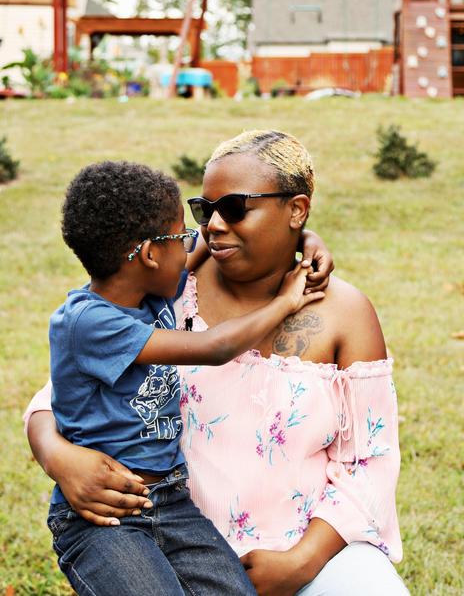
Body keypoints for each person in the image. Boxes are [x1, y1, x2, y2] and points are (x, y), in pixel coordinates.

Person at [27, 131, 405, 595]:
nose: (214, 226)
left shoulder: (345, 313)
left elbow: (371, 461)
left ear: (297, 209)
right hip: (163, 536)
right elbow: (62, 395)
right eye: (204, 212)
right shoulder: (166, 293)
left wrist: (301, 561)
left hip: (305, 553)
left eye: (235, 208)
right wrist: (57, 457)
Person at [43, 161, 326, 596]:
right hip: (106, 517)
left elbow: (216, 241)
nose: (194, 243)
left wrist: (304, 238)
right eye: (182, 236)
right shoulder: (88, 322)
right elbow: (214, 346)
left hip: (172, 504)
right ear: (150, 255)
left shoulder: (149, 293)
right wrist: (285, 303)